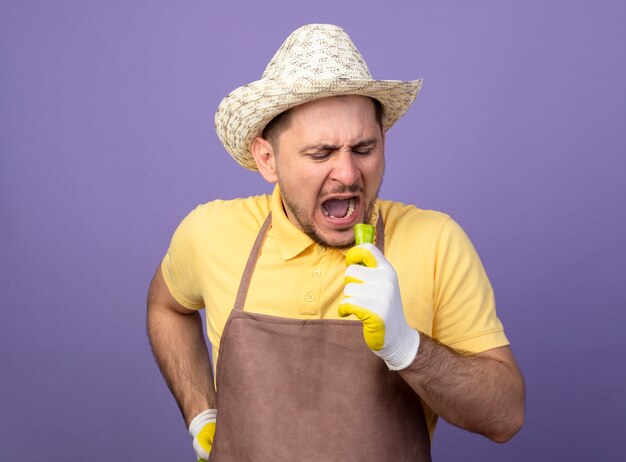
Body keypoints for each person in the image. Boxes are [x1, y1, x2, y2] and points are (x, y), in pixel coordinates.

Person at [147, 24, 525, 461]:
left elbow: (505, 416)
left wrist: (407, 347)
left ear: (384, 143)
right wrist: (202, 414)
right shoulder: (210, 232)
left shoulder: (436, 242)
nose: (347, 174)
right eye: (321, 153)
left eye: (363, 148)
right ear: (267, 159)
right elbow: (166, 307)